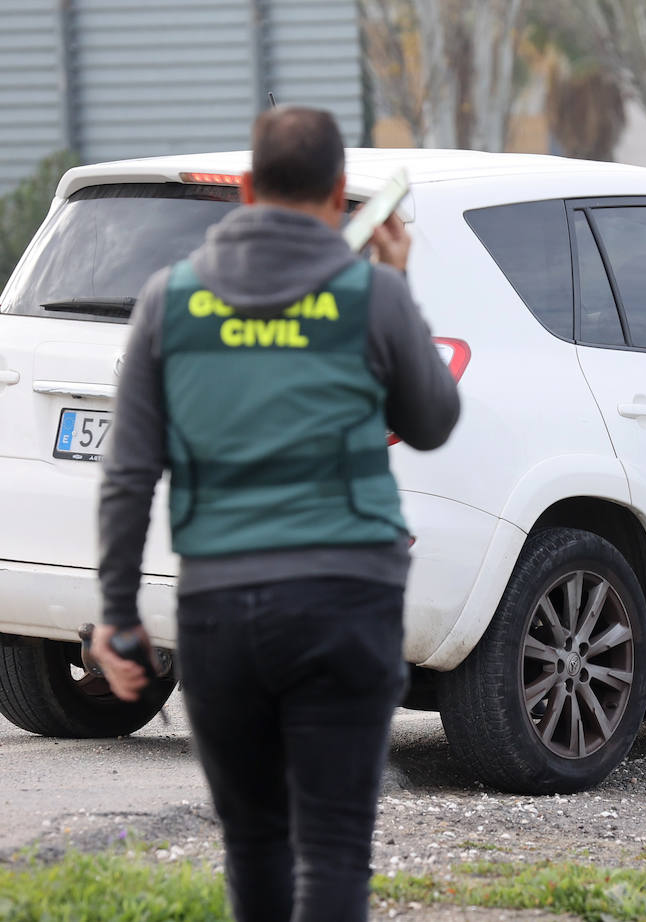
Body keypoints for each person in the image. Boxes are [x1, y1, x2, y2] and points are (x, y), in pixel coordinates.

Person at [89, 106, 460, 922]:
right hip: (345, 601)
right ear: (339, 196)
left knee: (254, 843)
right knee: (332, 849)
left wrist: (117, 616)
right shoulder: (370, 293)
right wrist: (398, 286)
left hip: (222, 609)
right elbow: (433, 423)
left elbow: (127, 474)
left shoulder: (169, 300)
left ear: (249, 188)